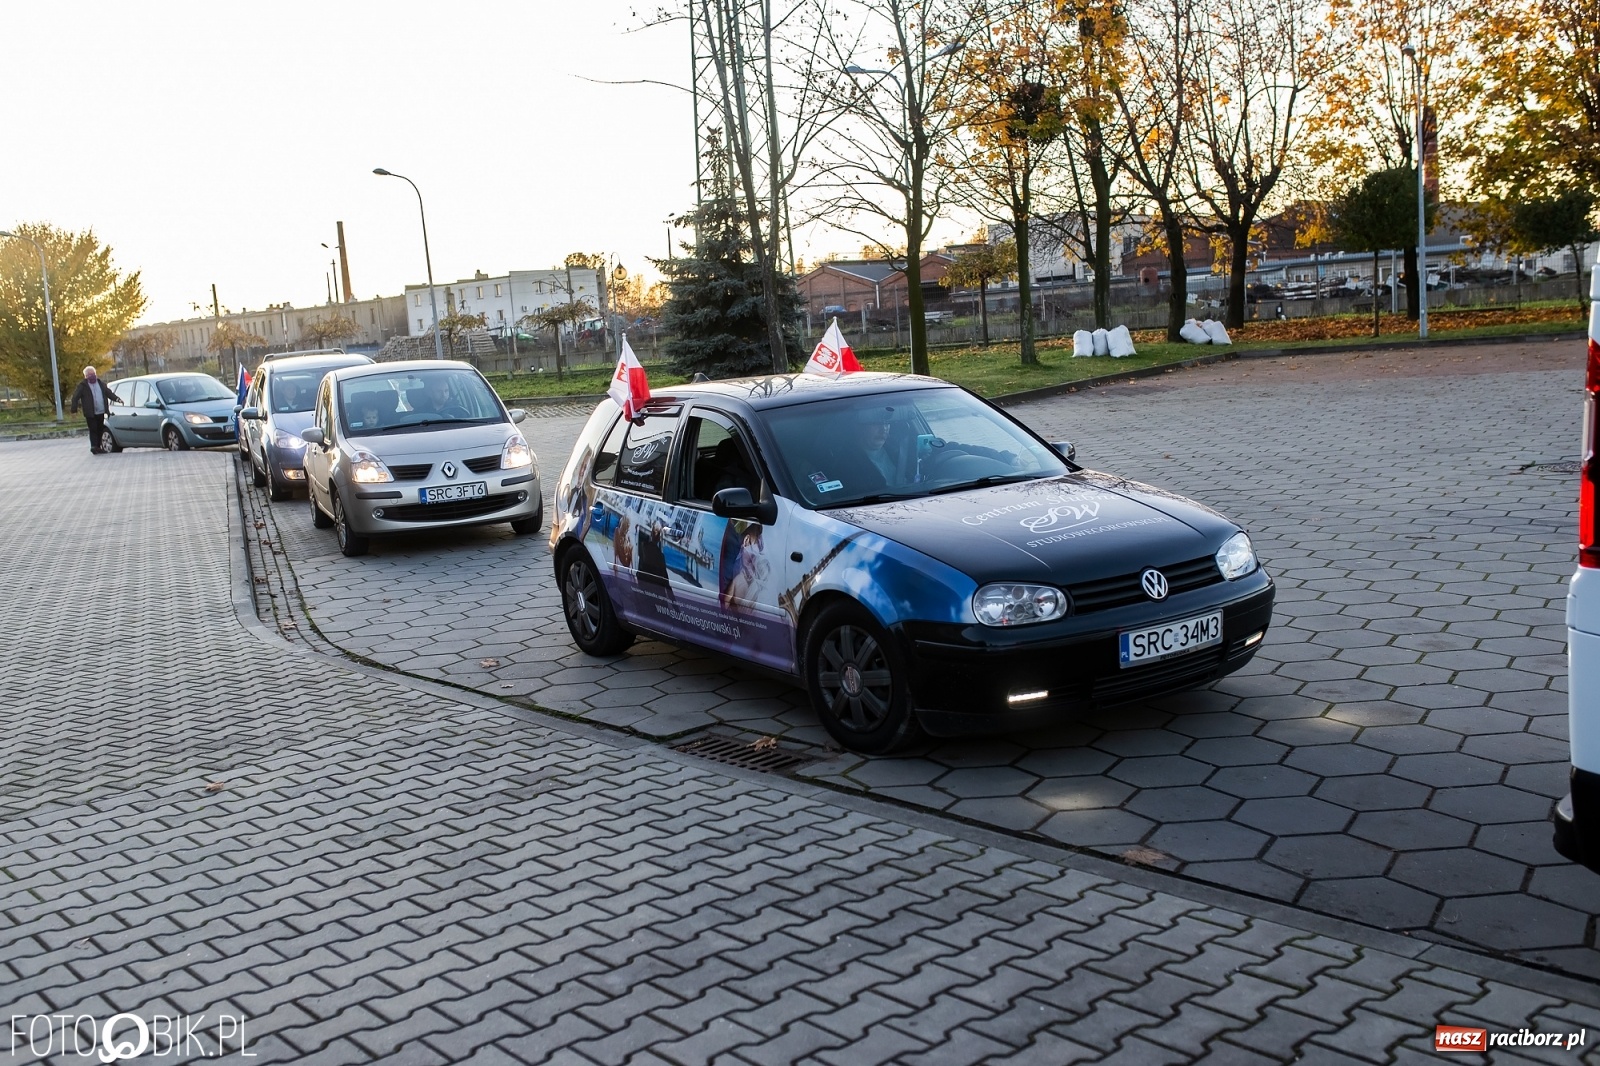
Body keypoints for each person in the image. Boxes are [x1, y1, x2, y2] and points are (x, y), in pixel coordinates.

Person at [69, 366, 121, 455]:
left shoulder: (100, 384)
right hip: (90, 412)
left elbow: (108, 393)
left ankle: (98, 446)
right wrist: (74, 410)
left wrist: (117, 399)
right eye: (90, 374)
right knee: (93, 429)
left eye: (93, 374)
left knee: (100, 429)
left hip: (101, 411)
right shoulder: (83, 386)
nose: (92, 376)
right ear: (86, 376)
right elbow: (75, 397)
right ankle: (94, 446)